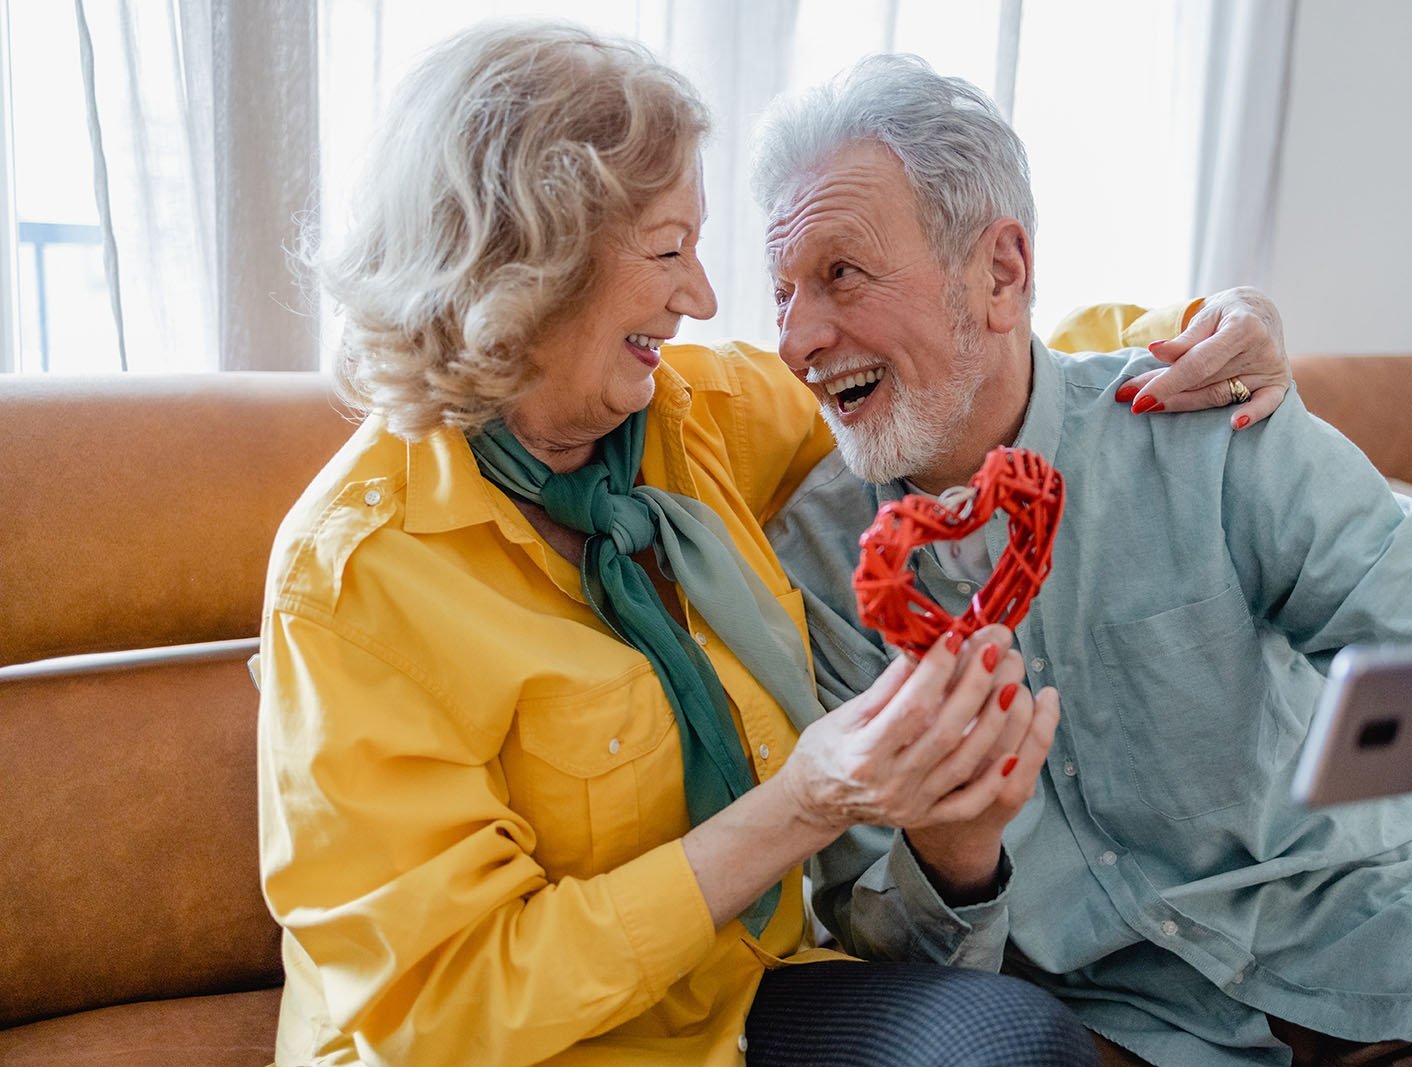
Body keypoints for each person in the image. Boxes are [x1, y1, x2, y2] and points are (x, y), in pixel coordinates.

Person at [256, 22, 1284, 1067]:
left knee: (1011, 1043)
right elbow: (446, 1005)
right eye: (669, 249)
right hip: (524, 1046)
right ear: (534, 262)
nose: (701, 297)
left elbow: (951, 361)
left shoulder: (688, 415)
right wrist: (804, 803)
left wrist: (1209, 326)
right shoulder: (356, 575)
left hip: (732, 1003)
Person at [756, 55, 1412, 1067]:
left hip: (1371, 925)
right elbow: (871, 934)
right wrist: (953, 854)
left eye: (841, 274)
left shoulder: (1206, 423)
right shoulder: (816, 561)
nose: (796, 338)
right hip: (1113, 1009)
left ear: (1000, 273)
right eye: (782, 292)